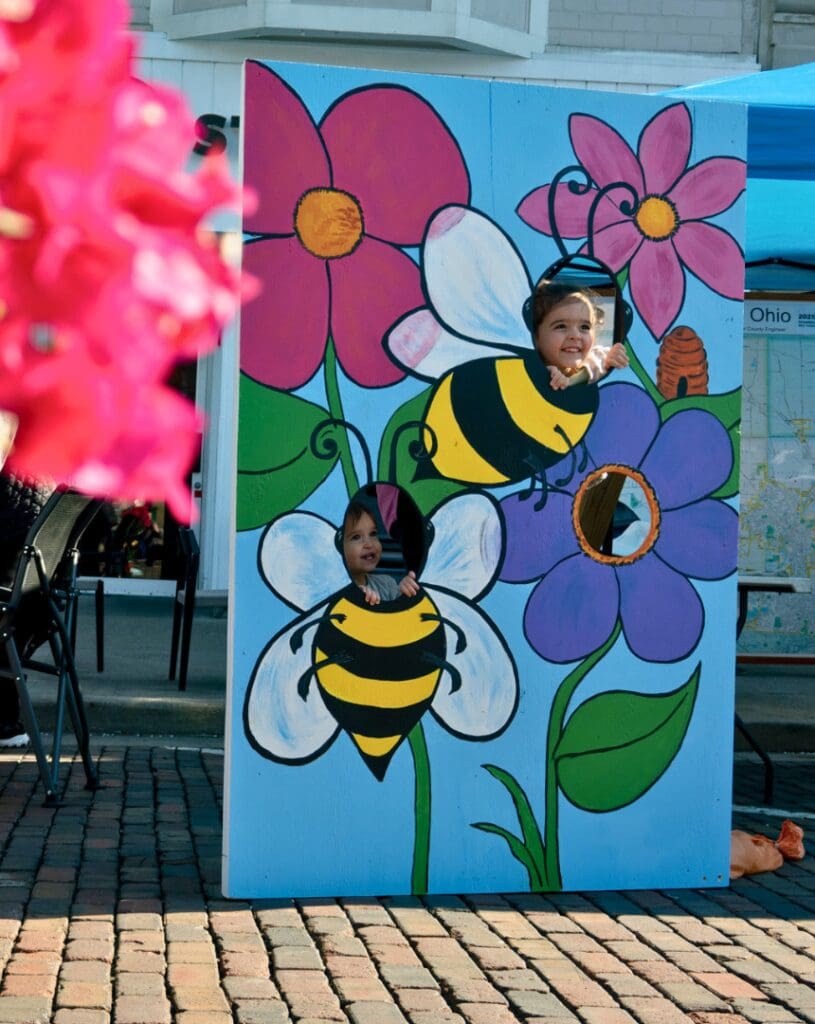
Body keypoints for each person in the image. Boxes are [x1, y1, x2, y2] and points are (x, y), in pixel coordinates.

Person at [0, 472, 56, 747]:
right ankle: (6, 720)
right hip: (40, 609)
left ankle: (6, 720)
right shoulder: (49, 482)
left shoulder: (12, 483)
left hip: (14, 610)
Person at [530, 280, 629, 389]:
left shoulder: (597, 357)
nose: (575, 335)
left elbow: (599, 360)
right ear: (535, 335)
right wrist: (542, 375)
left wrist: (614, 358)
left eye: (584, 327)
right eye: (561, 326)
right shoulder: (527, 367)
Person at [341, 501, 420, 606]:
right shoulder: (338, 591)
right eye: (356, 537)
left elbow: (401, 611)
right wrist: (359, 600)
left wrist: (404, 593)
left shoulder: (387, 584)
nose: (369, 544)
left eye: (373, 534)